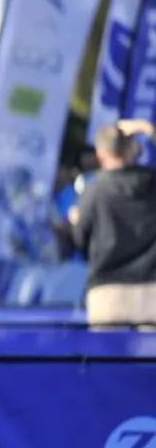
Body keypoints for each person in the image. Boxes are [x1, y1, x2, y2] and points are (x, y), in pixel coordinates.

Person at [70, 121, 156, 326]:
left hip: (107, 294)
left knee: (104, 357)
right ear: (131, 149)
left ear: (101, 155)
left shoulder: (95, 190)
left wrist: (76, 222)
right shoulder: (153, 183)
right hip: (151, 292)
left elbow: (80, 240)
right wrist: (149, 130)